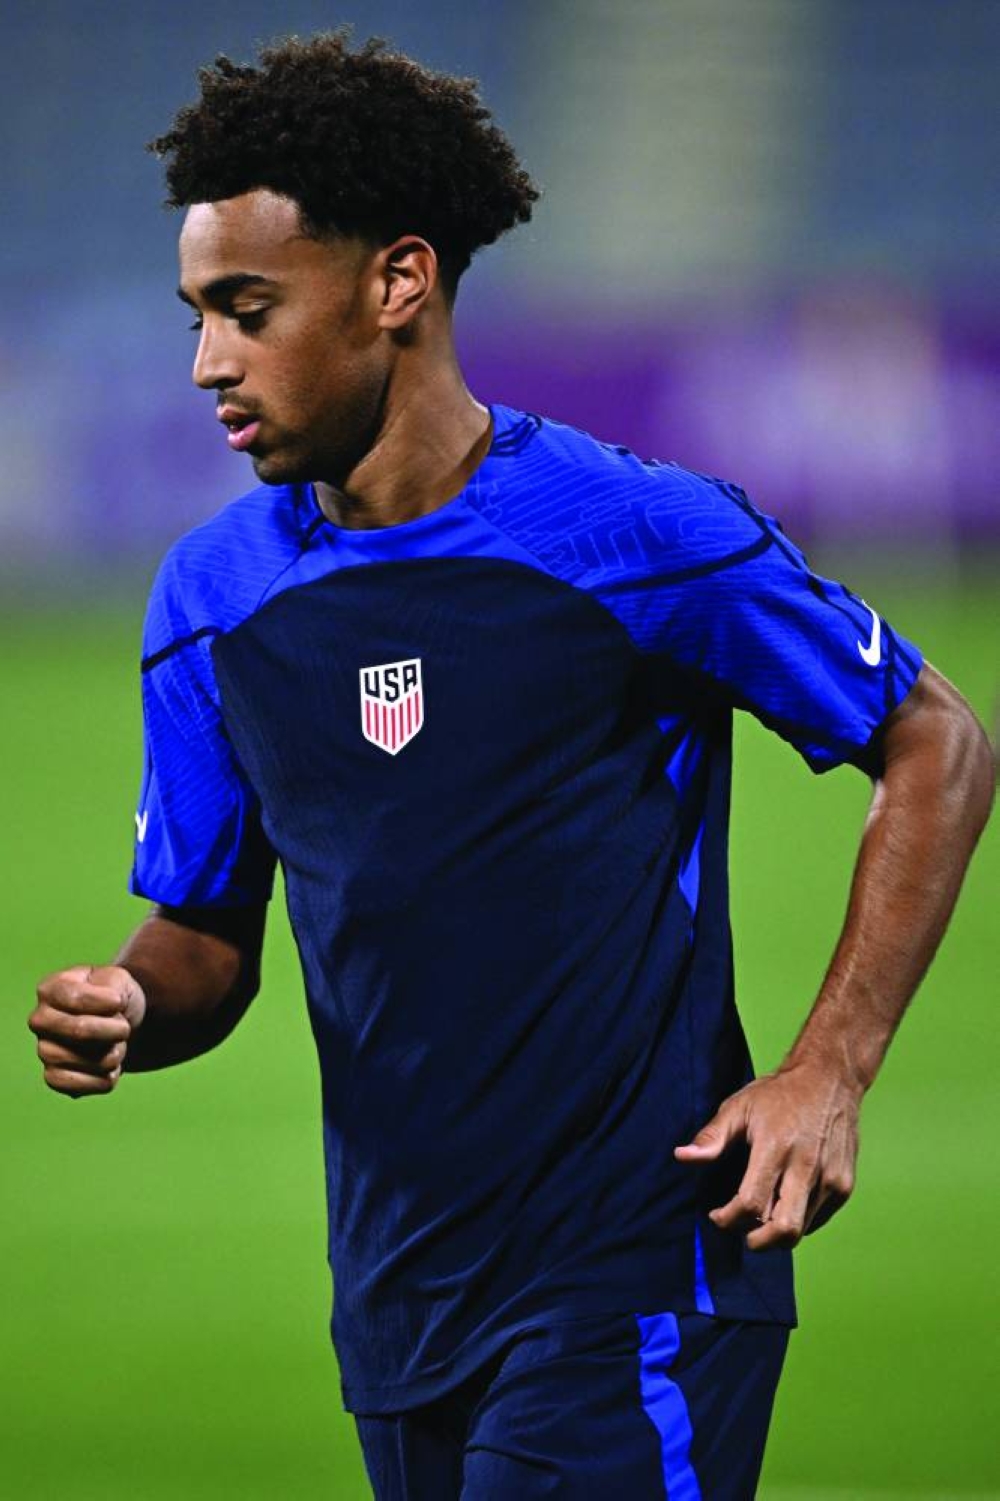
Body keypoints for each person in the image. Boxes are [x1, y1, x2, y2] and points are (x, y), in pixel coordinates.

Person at [29, 31, 993, 1500]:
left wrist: (828, 1070)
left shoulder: (638, 534)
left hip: (639, 1275)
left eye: (246, 308)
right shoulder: (209, 602)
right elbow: (210, 932)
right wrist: (132, 998)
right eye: (195, 317)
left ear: (398, 283)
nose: (209, 361)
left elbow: (937, 737)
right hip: (400, 1305)